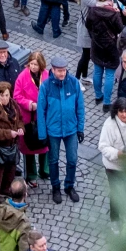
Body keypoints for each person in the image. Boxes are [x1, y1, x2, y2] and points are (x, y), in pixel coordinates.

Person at [34, 63, 85, 204]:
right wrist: (43, 135)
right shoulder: (46, 86)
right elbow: (41, 112)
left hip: (71, 130)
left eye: (64, 70)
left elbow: (80, 107)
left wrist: (80, 128)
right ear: (53, 70)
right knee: (53, 160)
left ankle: (69, 186)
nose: (62, 73)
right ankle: (55, 187)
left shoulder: (74, 83)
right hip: (53, 131)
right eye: (59, 71)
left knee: (72, 159)